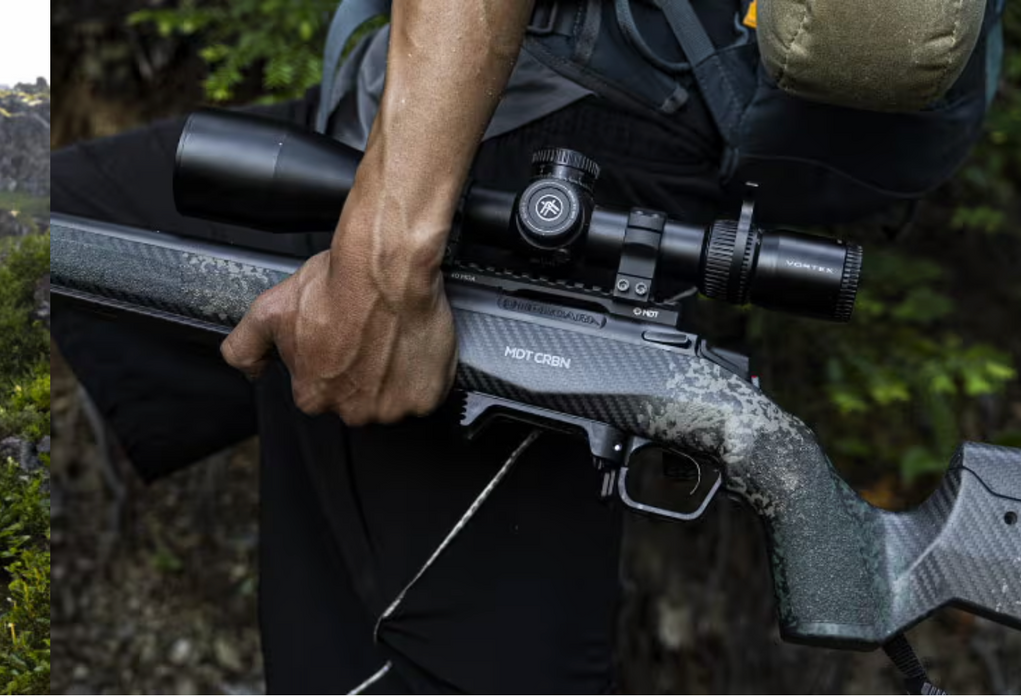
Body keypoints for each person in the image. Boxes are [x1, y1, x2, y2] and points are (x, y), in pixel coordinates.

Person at [51, 0, 999, 692]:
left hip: (511, 135)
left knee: (419, 664)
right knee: (56, 232)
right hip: (495, 136)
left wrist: (389, 264)